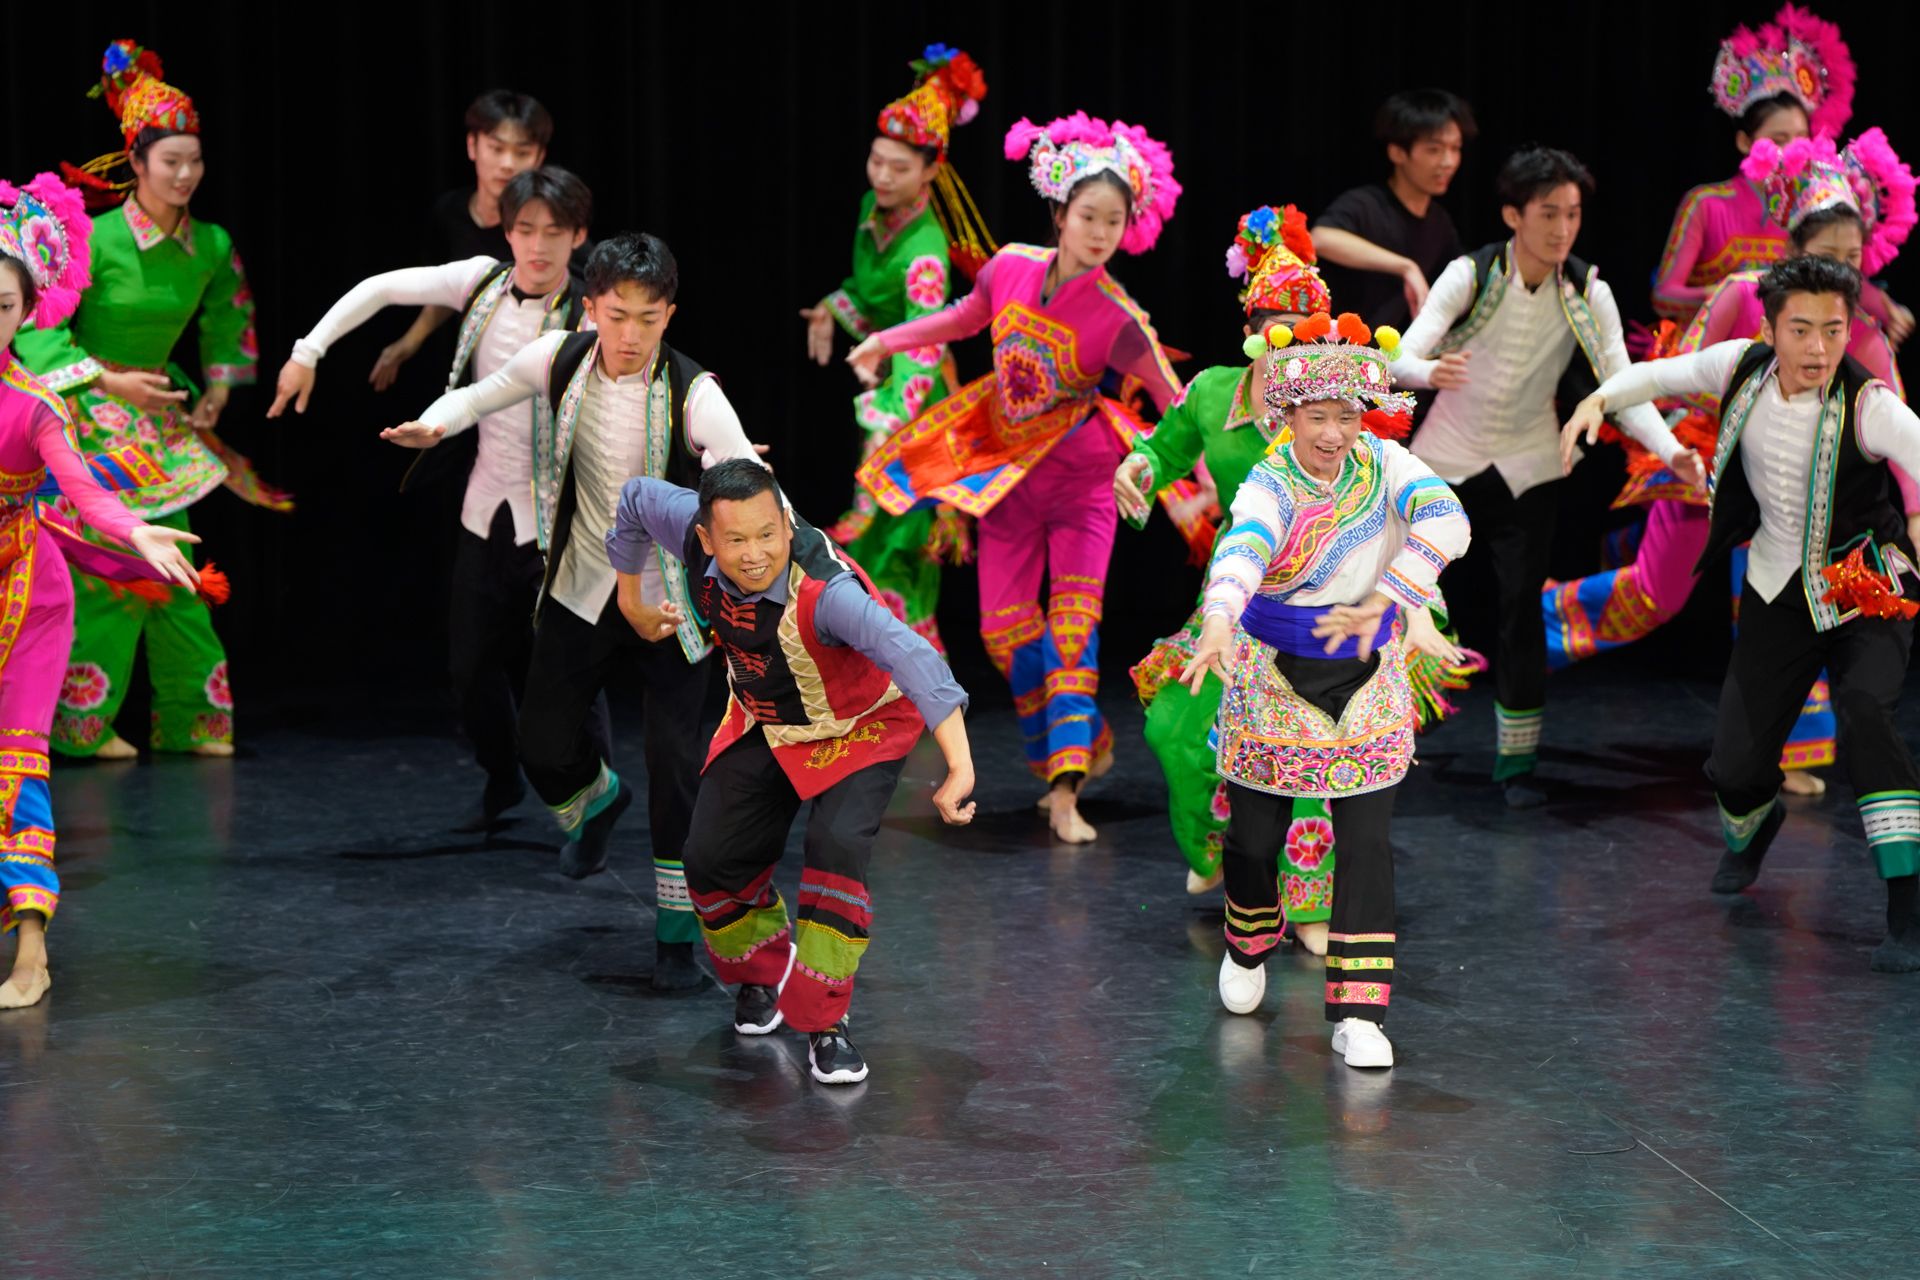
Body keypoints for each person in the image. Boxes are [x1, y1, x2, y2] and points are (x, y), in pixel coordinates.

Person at [381, 233, 762, 991]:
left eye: (648, 319)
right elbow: (480, 394)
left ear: (669, 315)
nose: (630, 335)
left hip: (670, 608)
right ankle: (598, 802)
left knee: (677, 770)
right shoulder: (558, 359)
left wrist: (744, 484)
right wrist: (436, 422)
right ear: (591, 309)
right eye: (616, 316)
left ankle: (675, 942)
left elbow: (748, 482)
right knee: (543, 746)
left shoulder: (696, 394)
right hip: (582, 587)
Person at [1117, 205, 1481, 928]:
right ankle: (1230, 859)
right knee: (1177, 730)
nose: (1291, 342)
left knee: (1318, 753)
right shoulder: (1213, 393)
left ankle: (1312, 909)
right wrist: (1138, 467)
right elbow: (1167, 451)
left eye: (1306, 327)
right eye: (1277, 327)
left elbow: (1416, 510)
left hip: (1343, 604)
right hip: (1245, 598)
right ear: (1255, 331)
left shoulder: (1342, 416)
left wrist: (1403, 600)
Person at [1560, 255, 1920, 973]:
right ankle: (1756, 828)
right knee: (1734, 765)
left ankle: (1906, 905)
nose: (1818, 347)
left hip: (1863, 590)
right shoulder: (1739, 366)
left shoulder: (1870, 405)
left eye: (1834, 330)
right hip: (1776, 589)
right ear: (1770, 329)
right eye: (1801, 329)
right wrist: (1596, 401)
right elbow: (1657, 377)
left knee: (1866, 715)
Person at [1546, 128, 1918, 795]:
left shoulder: (1860, 331)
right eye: (1827, 254)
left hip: (1802, 488)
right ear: (1795, 250)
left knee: (1802, 592)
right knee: (1657, 594)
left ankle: (1788, 750)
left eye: (1853, 257)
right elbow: (1682, 372)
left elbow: (1901, 434)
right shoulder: (1744, 296)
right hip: (1707, 452)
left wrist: (1914, 518)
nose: (1842, 269)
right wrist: (1671, 438)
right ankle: (1546, 620)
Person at [851, 111, 1184, 843]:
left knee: (1071, 633)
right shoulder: (1010, 268)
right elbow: (963, 317)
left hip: (1083, 486)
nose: (1100, 232)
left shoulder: (1119, 318)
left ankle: (1065, 792)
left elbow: (1176, 405)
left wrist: (1163, 465)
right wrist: (885, 339)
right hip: (1007, 479)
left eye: (1114, 221)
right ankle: (1082, 742)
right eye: (1088, 216)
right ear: (1060, 214)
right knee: (1002, 633)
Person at [607, 459, 976, 1084]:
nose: (754, 555)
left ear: (785, 521)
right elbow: (636, 497)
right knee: (710, 857)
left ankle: (826, 1021)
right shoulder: (691, 529)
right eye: (736, 540)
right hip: (768, 718)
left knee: (835, 849)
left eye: (767, 535)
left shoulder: (829, 595)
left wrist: (959, 765)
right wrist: (630, 600)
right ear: (706, 537)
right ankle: (766, 973)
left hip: (859, 726)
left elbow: (915, 657)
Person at [1179, 312, 1471, 1068]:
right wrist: (1219, 619)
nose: (1335, 433)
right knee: (1252, 843)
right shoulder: (1269, 482)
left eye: (1347, 416)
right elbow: (1245, 548)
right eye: (1318, 417)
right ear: (1288, 415)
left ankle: (1360, 1013)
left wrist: (1393, 597)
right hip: (1274, 677)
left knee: (1366, 846)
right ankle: (1248, 941)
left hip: (1367, 679)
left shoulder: (1387, 463)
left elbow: (1448, 519)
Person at [269, 167, 597, 829]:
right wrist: (309, 350)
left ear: (578, 237)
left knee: (566, 674)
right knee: (469, 670)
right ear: (506, 231)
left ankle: (590, 802)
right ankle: (502, 775)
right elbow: (381, 288)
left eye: (554, 232)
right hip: (484, 508)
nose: (538, 246)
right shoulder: (479, 280)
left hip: (562, 521)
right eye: (525, 229)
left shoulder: (594, 309)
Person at [19, 40, 285, 761]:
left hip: (159, 418)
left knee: (173, 564)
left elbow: (228, 314)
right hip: (85, 416)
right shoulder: (92, 240)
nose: (185, 174)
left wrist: (218, 388)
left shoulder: (210, 244)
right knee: (110, 574)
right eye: (170, 161)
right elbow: (38, 326)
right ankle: (77, 727)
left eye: (194, 161)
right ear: (136, 163)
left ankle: (191, 715)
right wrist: (107, 382)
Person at [1390, 146, 1674, 806]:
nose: (1562, 228)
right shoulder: (1471, 273)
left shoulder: (1588, 289)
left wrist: (1670, 451)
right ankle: (1389, 732)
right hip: (1444, 462)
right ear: (1513, 215)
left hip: (1529, 465)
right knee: (1402, 592)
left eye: (1572, 214)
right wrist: (1429, 372)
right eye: (1548, 213)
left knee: (1521, 611)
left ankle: (1516, 764)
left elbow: (1622, 387)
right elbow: (1400, 356)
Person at [0, 172, 206, 1008]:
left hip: (27, 594)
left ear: (27, 312)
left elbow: (83, 490)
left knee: (17, 761)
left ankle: (32, 950)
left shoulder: (33, 406)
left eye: (3, 305)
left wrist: (134, 530)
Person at [800, 43, 990, 654]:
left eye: (898, 168)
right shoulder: (872, 209)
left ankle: (917, 677)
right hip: (882, 394)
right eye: (876, 161)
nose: (881, 176)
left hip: (915, 403)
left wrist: (889, 419)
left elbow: (922, 346)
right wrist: (833, 307)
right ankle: (880, 671)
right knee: (871, 544)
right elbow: (867, 293)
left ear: (931, 171)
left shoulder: (925, 252)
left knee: (899, 543)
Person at [368, 90, 554, 393]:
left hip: (530, 373)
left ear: (539, 157)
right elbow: (448, 289)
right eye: (496, 148)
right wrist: (410, 341)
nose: (507, 163)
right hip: (466, 367)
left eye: (521, 153)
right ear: (472, 145)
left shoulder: (549, 226)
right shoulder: (449, 213)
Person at [1311, 89, 1475, 333]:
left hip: (1390, 352)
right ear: (1397, 152)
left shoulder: (1439, 221)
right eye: (1434, 150)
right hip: (1336, 348)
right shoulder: (1364, 204)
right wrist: (1406, 267)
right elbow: (1321, 238)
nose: (1448, 162)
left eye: (1455, 148)